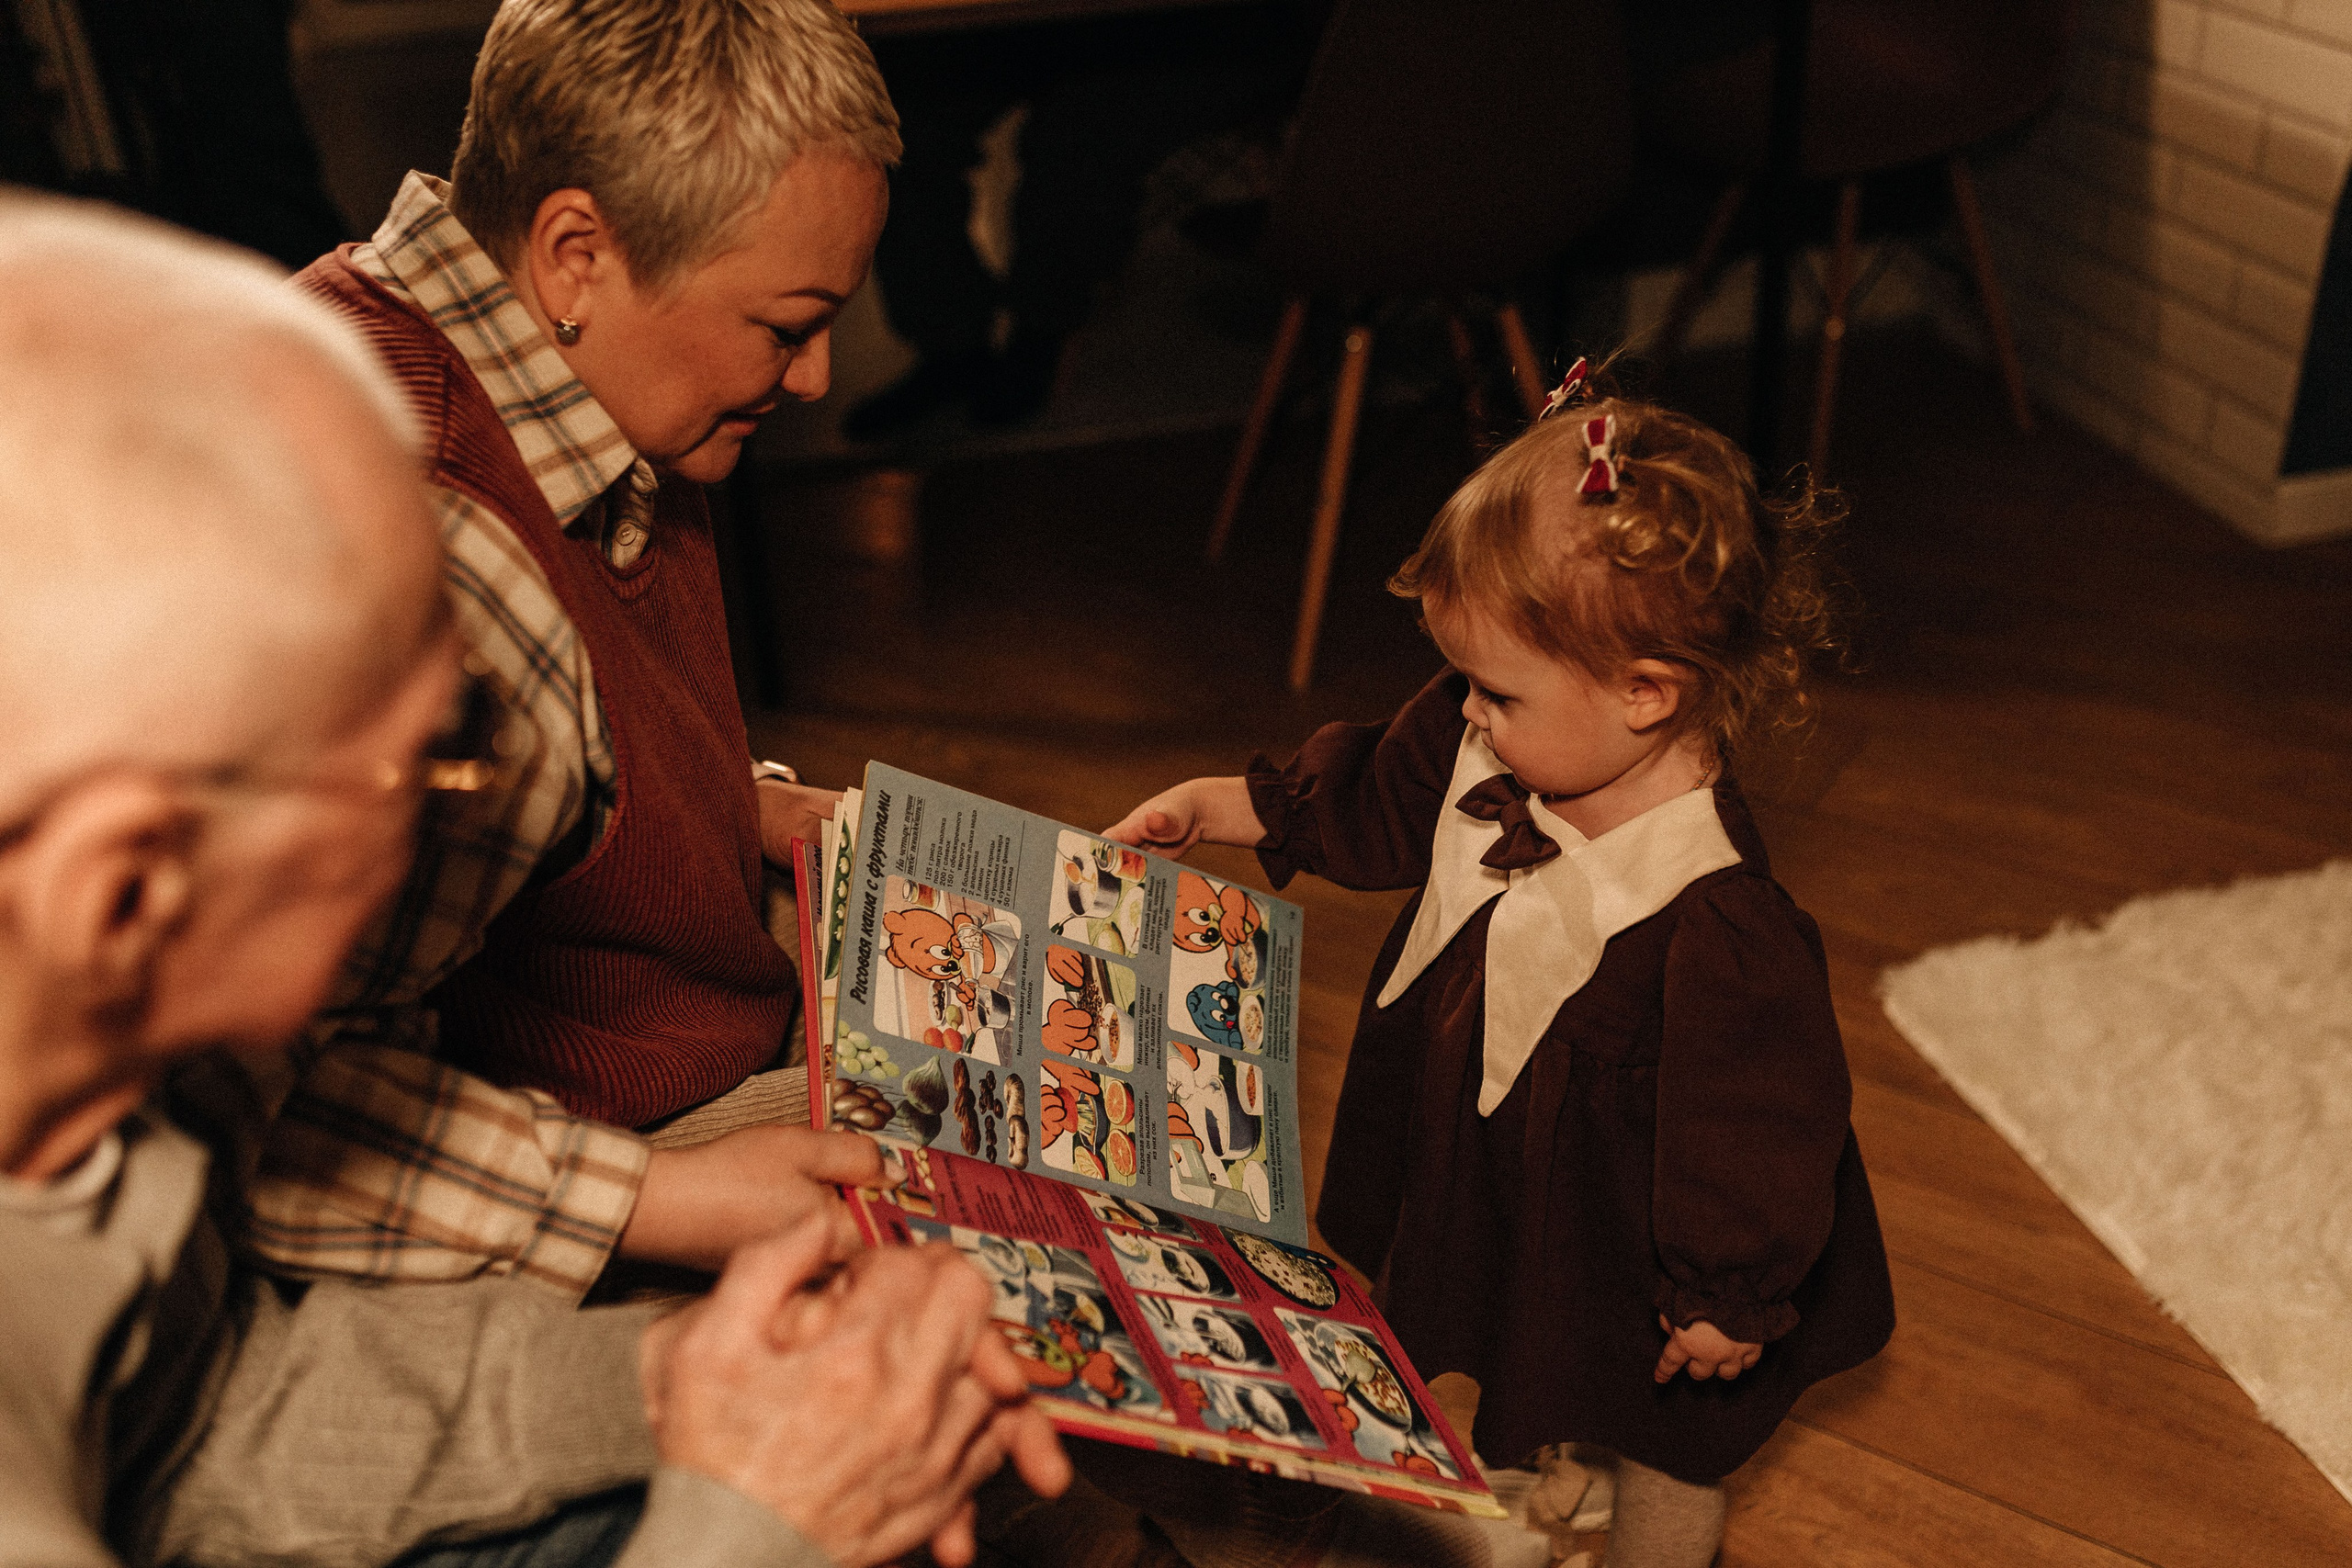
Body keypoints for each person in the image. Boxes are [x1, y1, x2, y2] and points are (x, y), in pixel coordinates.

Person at [0, 191, 1067, 1568]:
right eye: (423, 770)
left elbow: (202, 1426)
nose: (470, 796)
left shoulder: (96, 1077)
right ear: (121, 891)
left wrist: (684, 1376)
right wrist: (746, 1522)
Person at [1107, 368, 1897, 1567]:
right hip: (1486, 1147)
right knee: (1495, 1326)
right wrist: (1222, 807)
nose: (1468, 713)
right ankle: (1519, 1495)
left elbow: (1760, 1131)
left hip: (1649, 1221)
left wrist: (1727, 1296)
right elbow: (1379, 798)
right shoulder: (1492, 732)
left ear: (1646, 694)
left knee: (1669, 1421)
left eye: (1495, 691)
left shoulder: (1720, 924)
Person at [247, 0, 907, 1300]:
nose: (818, 375)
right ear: (574, 256)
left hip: (671, 1034)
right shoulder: (434, 585)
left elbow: (581, 743)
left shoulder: (533, 354)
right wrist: (662, 1199)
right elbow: (264, 1105)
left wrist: (738, 804)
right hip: (565, 1167)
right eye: (786, 326)